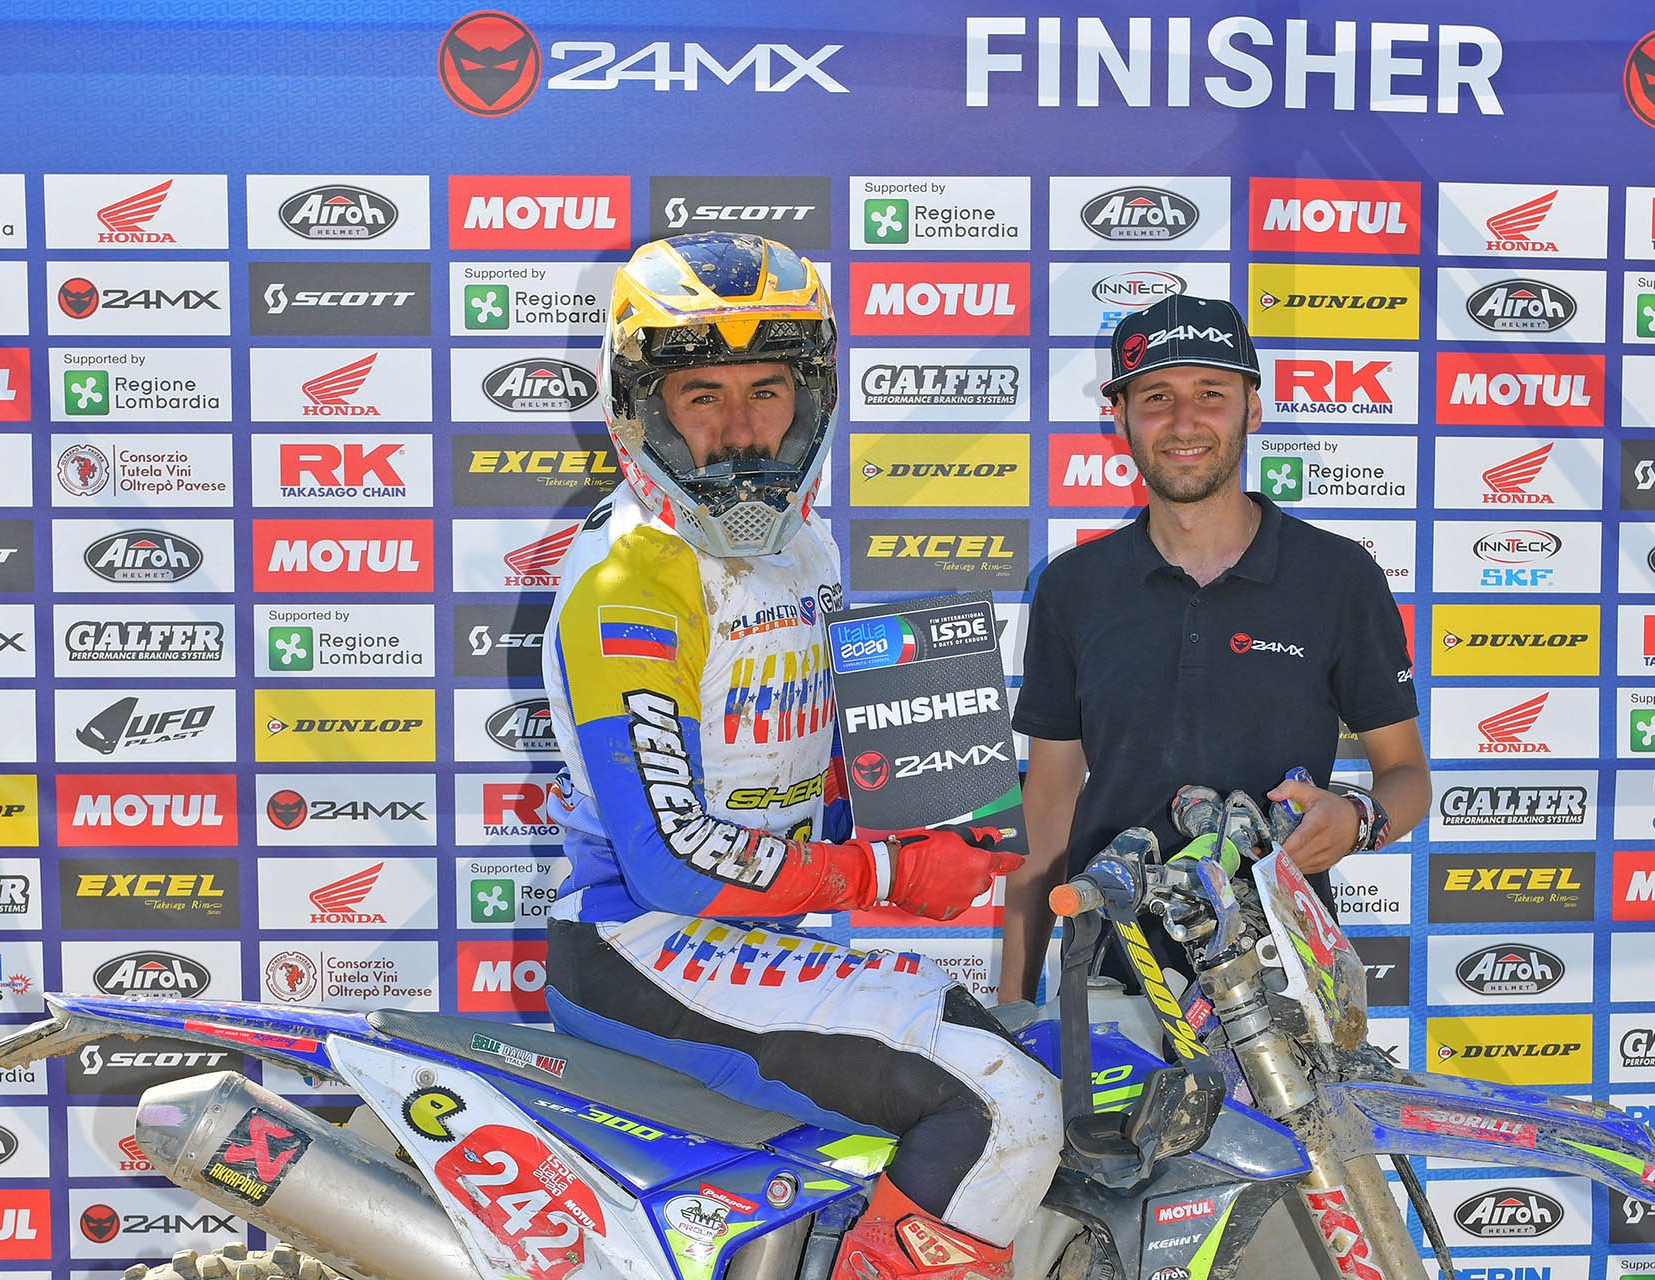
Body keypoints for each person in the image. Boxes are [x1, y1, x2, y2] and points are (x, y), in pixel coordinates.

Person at [540, 232, 1061, 1280]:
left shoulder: (803, 547)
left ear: (812, 397)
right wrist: (889, 874)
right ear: (639, 406)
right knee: (1005, 1102)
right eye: (703, 396)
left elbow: (812, 777)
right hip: (640, 944)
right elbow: (672, 858)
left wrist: (942, 811)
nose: (742, 432)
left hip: (744, 939)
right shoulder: (632, 580)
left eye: (768, 391)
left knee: (1024, 1046)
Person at [1000, 294, 1431, 1001]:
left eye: (1210, 394)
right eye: (1156, 397)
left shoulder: (1338, 577)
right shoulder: (1073, 586)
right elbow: (1047, 807)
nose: (1183, 421)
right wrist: (1015, 1009)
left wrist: (1357, 820)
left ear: (1252, 409)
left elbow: (1408, 775)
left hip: (1287, 982)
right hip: (1114, 978)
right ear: (1119, 416)